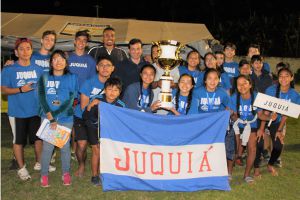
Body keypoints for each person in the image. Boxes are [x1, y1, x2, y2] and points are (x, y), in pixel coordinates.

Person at [1, 38, 44, 180]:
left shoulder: (38, 69)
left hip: (35, 111)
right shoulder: (9, 69)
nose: (25, 51)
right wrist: (21, 89)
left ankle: (40, 163)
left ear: (32, 51)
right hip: (18, 112)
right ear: (16, 52)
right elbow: (3, 90)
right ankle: (21, 168)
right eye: (21, 49)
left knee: (38, 139)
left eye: (28, 48)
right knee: (18, 141)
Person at [38, 50, 78, 187]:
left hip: (66, 117)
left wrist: (56, 116)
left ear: (66, 62)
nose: (58, 62)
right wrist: (50, 117)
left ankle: (65, 173)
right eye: (55, 59)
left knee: (65, 146)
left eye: (62, 59)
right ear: (51, 62)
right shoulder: (44, 76)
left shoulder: (72, 77)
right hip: (47, 117)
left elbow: (71, 98)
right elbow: (42, 98)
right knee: (48, 147)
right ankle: (44, 174)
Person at [73, 56, 115, 179]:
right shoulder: (89, 82)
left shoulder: (114, 84)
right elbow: (84, 106)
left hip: (101, 119)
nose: (105, 67)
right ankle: (81, 165)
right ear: (97, 67)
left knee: (99, 146)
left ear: (113, 68)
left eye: (108, 65)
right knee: (81, 144)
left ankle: (102, 169)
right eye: (102, 65)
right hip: (82, 116)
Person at [230, 75, 276, 183]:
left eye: (244, 83)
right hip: (238, 125)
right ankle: (229, 173)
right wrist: (235, 117)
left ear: (250, 84)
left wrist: (270, 117)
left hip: (251, 126)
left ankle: (246, 175)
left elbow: (260, 115)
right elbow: (232, 115)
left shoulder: (256, 97)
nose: (242, 86)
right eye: (239, 84)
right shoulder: (234, 97)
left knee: (252, 149)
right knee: (235, 150)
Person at [255, 67, 300, 177]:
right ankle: (256, 168)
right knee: (259, 142)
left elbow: (286, 114)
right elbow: (264, 110)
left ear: (291, 77)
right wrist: (261, 128)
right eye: (281, 76)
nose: (283, 78)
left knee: (279, 145)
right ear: (278, 78)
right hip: (265, 119)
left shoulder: (294, 95)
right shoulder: (271, 90)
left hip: (278, 122)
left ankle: (270, 164)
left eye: (286, 76)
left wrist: (279, 130)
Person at [82, 77, 125, 186]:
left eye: (116, 90)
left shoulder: (121, 105)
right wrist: (90, 105)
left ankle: (108, 174)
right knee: (96, 151)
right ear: (105, 90)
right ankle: (95, 175)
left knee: (108, 152)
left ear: (119, 93)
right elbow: (85, 116)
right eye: (110, 89)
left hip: (110, 131)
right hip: (94, 128)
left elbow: (123, 122)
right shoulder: (97, 99)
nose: (112, 92)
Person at [68, 30, 97, 160]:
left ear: (86, 44)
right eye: (79, 40)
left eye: (84, 41)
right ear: (74, 41)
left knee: (77, 124)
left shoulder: (90, 61)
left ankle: (74, 150)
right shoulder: (67, 58)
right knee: (66, 124)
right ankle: (57, 150)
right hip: (67, 98)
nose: (81, 42)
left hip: (83, 99)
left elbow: (92, 80)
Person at [151, 44, 180, 115]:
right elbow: (146, 85)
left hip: (169, 107)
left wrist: (173, 85)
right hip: (153, 105)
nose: (155, 54)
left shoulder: (173, 68)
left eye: (157, 51)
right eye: (153, 52)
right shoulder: (150, 68)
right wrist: (157, 83)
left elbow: (179, 85)